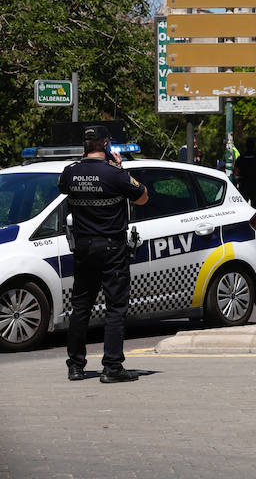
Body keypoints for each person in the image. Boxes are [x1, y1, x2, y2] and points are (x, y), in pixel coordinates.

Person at [57, 126, 148, 383]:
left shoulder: (70, 173)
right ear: (106, 145)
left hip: (83, 248)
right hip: (112, 248)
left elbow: (62, 188)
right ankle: (112, 367)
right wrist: (121, 170)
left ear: (85, 145)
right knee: (116, 307)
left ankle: (75, 366)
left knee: (81, 306)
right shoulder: (114, 175)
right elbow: (142, 197)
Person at [234, 137, 256, 202]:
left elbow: (236, 172)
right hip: (255, 184)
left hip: (244, 184)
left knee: (244, 205)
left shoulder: (241, 158)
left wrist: (238, 181)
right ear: (254, 146)